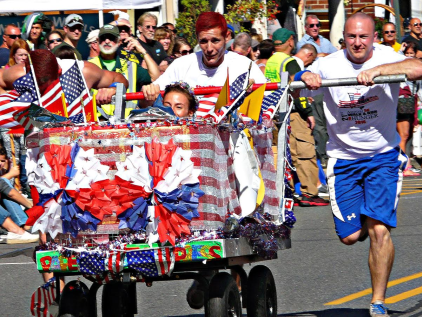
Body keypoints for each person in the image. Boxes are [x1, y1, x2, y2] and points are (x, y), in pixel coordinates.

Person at [299, 13, 407, 316]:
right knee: (349, 237)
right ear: (343, 38)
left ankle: (378, 302)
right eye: (351, 37)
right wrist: (305, 77)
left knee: (379, 230)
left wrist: (381, 70)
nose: (357, 42)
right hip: (344, 159)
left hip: (382, 156)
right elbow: (297, 77)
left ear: (374, 38)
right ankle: (365, 215)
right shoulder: (329, 63)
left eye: (363, 37)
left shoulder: (388, 56)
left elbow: (417, 67)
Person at [265, 29, 327, 207]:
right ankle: (309, 192)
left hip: (276, 111)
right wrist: (308, 112)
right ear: (291, 41)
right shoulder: (289, 62)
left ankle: (289, 191)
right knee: (304, 151)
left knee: (286, 154)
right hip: (292, 110)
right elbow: (296, 88)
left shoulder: (272, 61)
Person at [142, 11, 266, 99]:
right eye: (203, 41)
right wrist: (148, 93)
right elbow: (148, 101)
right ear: (197, 39)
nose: (209, 48)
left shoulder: (244, 66)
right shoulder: (182, 65)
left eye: (215, 41)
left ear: (226, 37)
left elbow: (268, 104)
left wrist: (254, 93)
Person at [89, 24, 159, 118]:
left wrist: (143, 51)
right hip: (97, 123)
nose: (107, 41)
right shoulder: (89, 66)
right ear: (97, 41)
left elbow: (156, 78)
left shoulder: (130, 66)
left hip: (126, 123)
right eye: (103, 38)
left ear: (119, 42)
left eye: (111, 38)